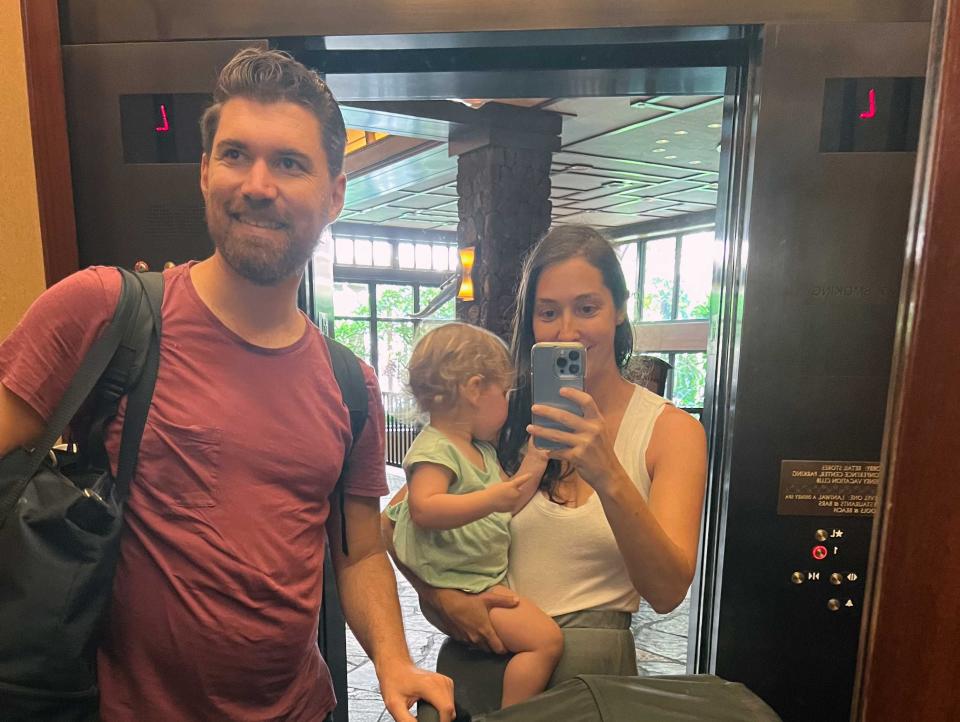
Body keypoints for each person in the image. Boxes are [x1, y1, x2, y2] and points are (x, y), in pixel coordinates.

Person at [0, 48, 453, 722]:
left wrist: (393, 661)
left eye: (290, 163)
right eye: (237, 155)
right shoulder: (104, 311)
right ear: (205, 171)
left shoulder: (348, 384)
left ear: (335, 194)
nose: (259, 184)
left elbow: (358, 556)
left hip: (304, 710)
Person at [383, 225, 707, 712]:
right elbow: (395, 521)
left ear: (619, 310)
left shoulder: (671, 431)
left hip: (594, 677)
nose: (567, 331)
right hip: (485, 660)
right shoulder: (497, 418)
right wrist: (442, 597)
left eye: (587, 308)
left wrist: (607, 474)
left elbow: (666, 592)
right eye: (548, 312)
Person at [385, 323, 562, 708]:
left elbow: (509, 500)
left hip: (479, 581)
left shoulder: (480, 451)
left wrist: (536, 457)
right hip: (465, 587)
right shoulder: (434, 449)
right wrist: (491, 499)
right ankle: (510, 717)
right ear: (475, 388)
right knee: (545, 642)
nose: (507, 401)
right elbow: (424, 508)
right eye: (504, 392)